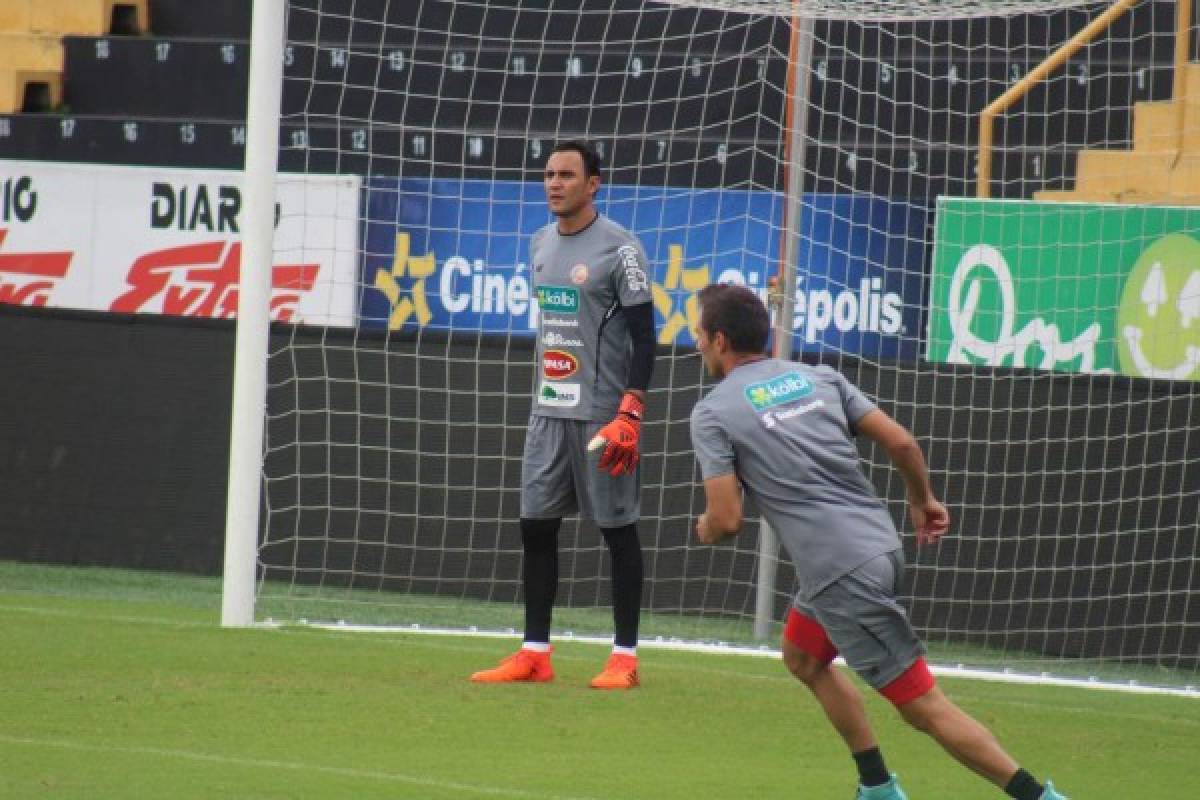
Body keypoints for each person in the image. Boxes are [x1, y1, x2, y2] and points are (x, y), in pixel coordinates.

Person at [687, 283, 1069, 800]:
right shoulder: (818, 377)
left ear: (720, 339)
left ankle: (1036, 796)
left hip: (843, 573)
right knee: (802, 656)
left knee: (922, 707)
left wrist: (708, 527)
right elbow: (902, 441)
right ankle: (877, 786)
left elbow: (727, 519)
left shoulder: (713, 412)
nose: (696, 345)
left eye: (698, 335)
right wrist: (923, 499)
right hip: (878, 546)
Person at [470, 140, 656, 690]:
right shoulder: (539, 243)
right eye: (549, 174)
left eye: (567, 175)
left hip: (603, 414)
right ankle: (535, 653)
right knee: (535, 526)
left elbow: (646, 337)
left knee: (618, 533)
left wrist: (631, 407)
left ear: (593, 183)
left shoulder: (622, 250)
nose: (554, 183)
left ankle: (624, 658)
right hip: (548, 410)